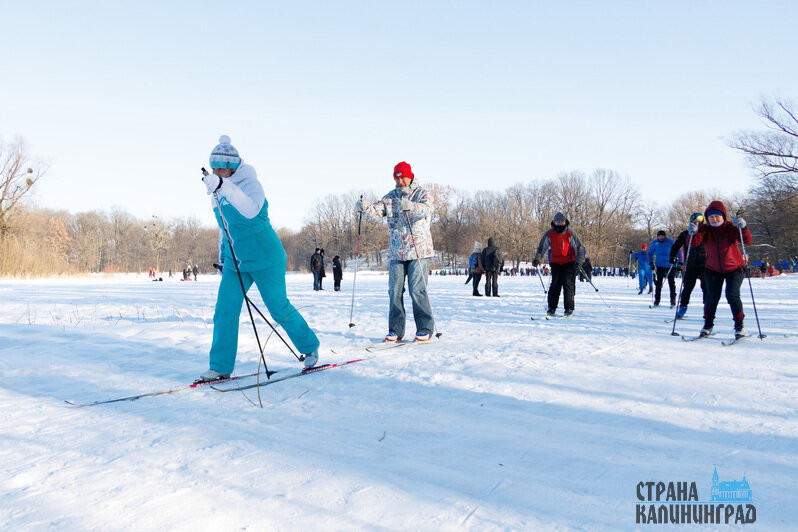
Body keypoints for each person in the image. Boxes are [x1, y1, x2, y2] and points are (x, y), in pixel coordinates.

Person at [197, 135, 319, 382]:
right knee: (224, 310)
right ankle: (220, 366)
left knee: (278, 307)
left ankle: (309, 346)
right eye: (213, 169)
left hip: (266, 257)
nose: (216, 173)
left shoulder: (251, 184)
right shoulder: (217, 191)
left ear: (231, 168)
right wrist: (223, 256)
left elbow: (250, 211)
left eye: (220, 169)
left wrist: (222, 186)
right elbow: (225, 227)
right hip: (236, 262)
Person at [356, 161, 435, 342]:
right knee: (394, 290)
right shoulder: (390, 197)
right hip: (397, 251)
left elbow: (428, 209)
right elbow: (377, 211)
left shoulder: (422, 194)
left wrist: (412, 206)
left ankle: (424, 327)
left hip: (418, 250)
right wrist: (364, 208)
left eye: (402, 178)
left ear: (410, 176)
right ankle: (396, 330)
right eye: (397, 178)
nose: (400, 182)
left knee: (417, 289)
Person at [687, 200, 752, 338]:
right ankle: (708, 324)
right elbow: (693, 243)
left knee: (732, 295)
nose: (714, 219)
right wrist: (692, 232)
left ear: (723, 216)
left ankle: (739, 325)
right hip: (712, 268)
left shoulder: (731, 227)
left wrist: (744, 227)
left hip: (734, 267)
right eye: (711, 217)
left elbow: (747, 240)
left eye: (717, 216)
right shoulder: (705, 229)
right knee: (711, 297)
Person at [533, 212, 585, 316]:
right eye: (558, 222)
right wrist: (537, 259)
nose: (560, 224)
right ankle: (552, 307)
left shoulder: (570, 233)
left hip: (569, 262)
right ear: (554, 222)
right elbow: (542, 247)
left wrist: (579, 262)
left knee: (568, 284)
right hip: (556, 262)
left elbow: (579, 248)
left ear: (565, 222)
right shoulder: (549, 234)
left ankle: (569, 308)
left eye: (562, 222)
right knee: (555, 285)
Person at [670, 213, 706, 318]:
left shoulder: (705, 233)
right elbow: (676, 246)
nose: (696, 223)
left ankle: (707, 309)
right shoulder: (685, 234)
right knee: (687, 288)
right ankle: (683, 307)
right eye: (694, 221)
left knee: (706, 287)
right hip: (691, 265)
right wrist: (672, 256)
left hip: (705, 264)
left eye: (699, 221)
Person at [647, 230, 680, 307]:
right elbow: (649, 254)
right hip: (660, 265)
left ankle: (673, 300)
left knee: (671, 283)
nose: (661, 238)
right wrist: (651, 263)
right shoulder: (655, 243)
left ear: (665, 236)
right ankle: (657, 300)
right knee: (658, 284)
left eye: (662, 236)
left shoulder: (670, 241)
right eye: (659, 236)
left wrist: (679, 260)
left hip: (670, 265)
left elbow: (678, 250)